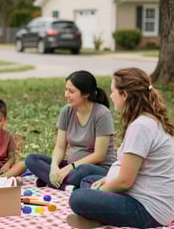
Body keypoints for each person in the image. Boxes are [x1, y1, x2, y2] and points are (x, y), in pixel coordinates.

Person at [67, 67, 174, 229]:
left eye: (113, 91)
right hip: (144, 196)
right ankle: (96, 219)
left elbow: (125, 182)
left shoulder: (141, 127)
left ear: (125, 95)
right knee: (89, 180)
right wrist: (105, 181)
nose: (110, 96)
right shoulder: (147, 121)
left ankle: (97, 218)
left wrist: (101, 190)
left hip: (147, 210)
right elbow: (130, 170)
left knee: (78, 197)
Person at [25, 70, 117, 190]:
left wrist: (68, 168)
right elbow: (60, 147)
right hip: (70, 166)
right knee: (32, 159)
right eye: (66, 89)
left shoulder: (102, 114)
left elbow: (98, 156)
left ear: (86, 94)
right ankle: (66, 185)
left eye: (71, 91)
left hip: (97, 168)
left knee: (82, 171)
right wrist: (54, 168)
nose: (66, 95)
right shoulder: (67, 111)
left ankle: (53, 181)